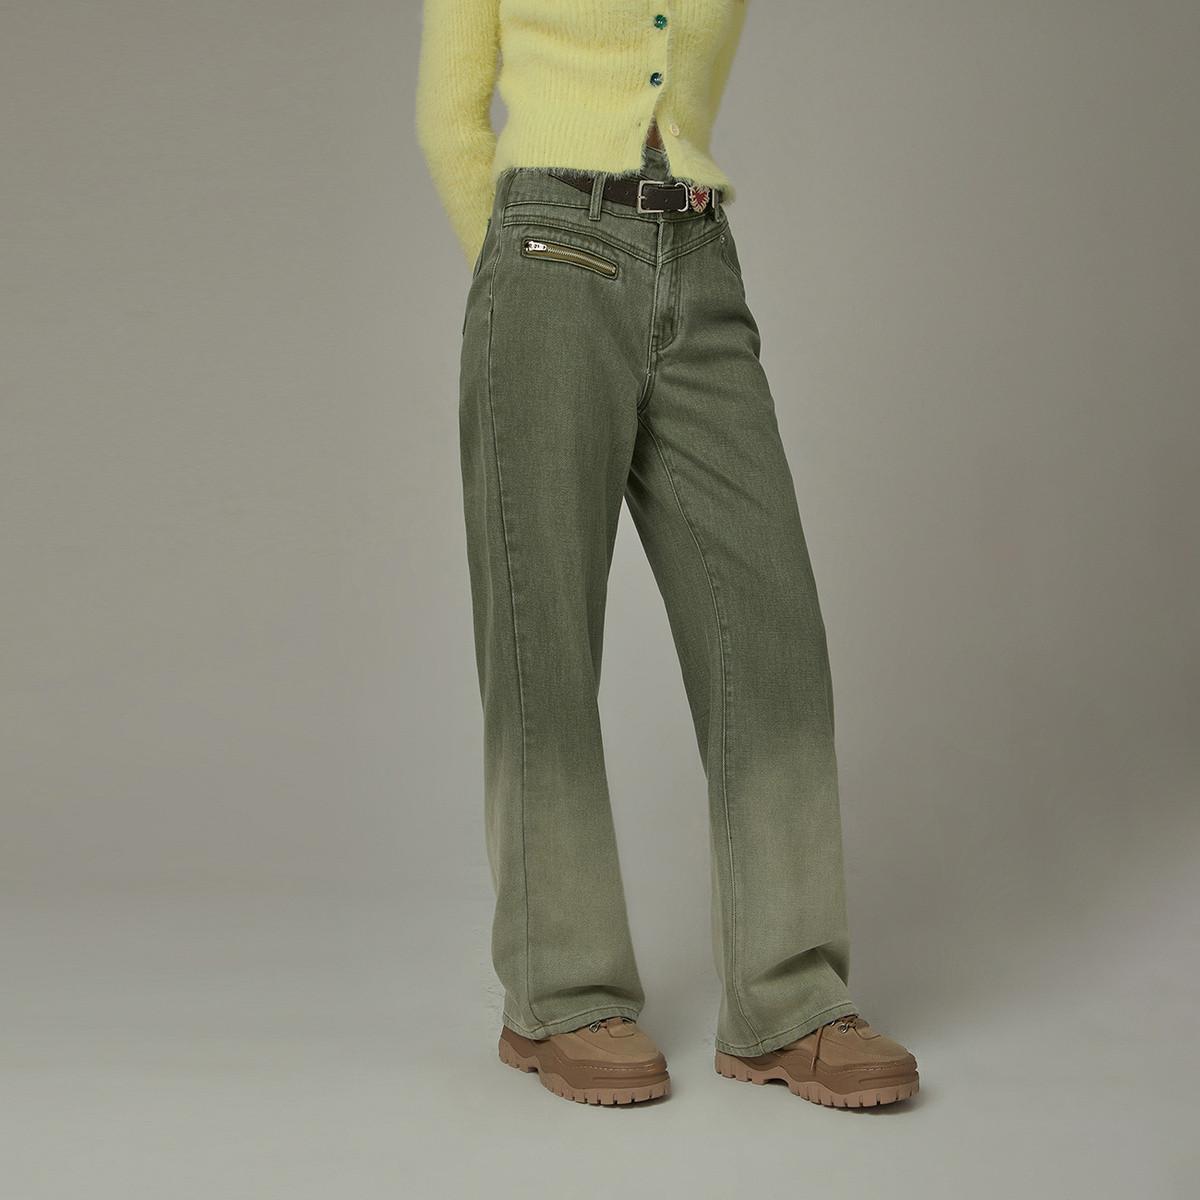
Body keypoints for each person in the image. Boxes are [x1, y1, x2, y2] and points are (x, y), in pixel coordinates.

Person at [415, 0, 919, 1108]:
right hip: (547, 247)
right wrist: (518, 274)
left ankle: (789, 1000)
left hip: (698, 258)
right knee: (543, 638)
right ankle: (560, 993)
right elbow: (448, 117)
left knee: (771, 627)